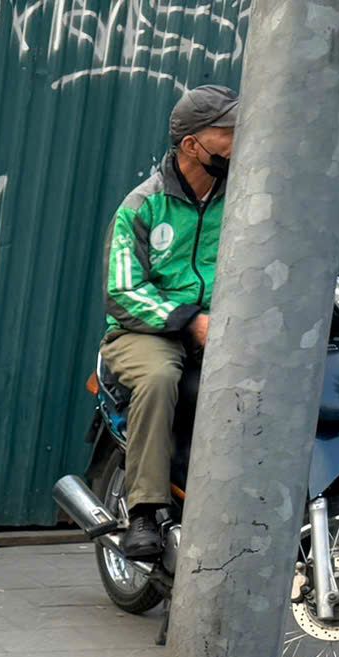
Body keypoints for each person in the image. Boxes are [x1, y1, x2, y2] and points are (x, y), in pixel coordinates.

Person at [101, 85, 237, 561]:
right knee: (160, 378)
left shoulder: (245, 198)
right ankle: (144, 510)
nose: (241, 141)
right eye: (228, 132)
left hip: (227, 327)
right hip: (146, 331)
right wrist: (190, 321)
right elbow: (122, 291)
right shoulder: (143, 205)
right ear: (192, 145)